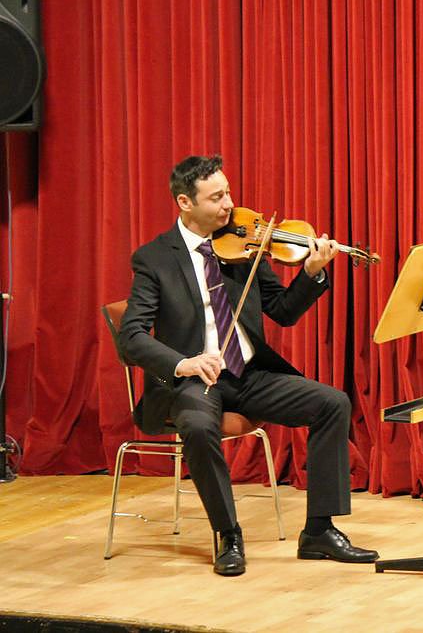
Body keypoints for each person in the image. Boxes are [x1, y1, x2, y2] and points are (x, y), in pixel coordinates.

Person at [119, 155, 378, 576]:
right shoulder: (154, 259)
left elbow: (283, 311)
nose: (229, 205)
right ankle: (228, 534)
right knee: (198, 427)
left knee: (332, 403)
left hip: (248, 374)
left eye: (228, 193)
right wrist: (184, 363)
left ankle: (319, 531)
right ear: (185, 202)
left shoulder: (242, 247)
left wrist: (311, 273)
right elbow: (131, 337)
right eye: (216, 197)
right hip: (194, 380)